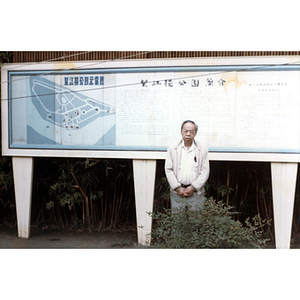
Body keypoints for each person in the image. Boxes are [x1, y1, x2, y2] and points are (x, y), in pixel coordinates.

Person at [165, 120, 210, 211]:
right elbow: (168, 169)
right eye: (186, 131)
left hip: (196, 193)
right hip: (177, 192)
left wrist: (193, 187)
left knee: (196, 222)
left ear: (195, 133)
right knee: (178, 222)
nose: (188, 134)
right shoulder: (173, 148)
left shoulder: (202, 149)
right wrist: (177, 188)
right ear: (181, 132)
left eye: (192, 132)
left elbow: (205, 171)